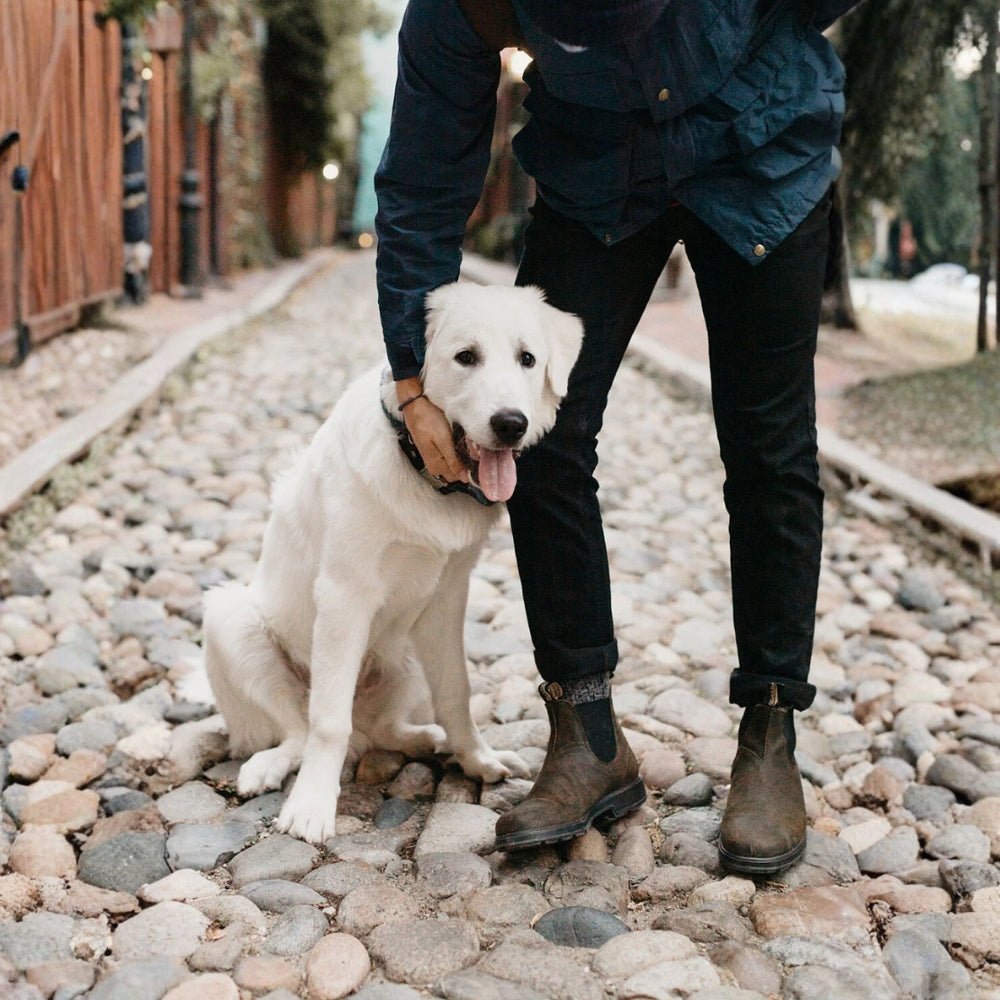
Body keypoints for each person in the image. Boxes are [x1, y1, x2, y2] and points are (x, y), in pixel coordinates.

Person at [375, 0, 862, 875]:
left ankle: (772, 727)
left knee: (770, 446)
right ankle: (587, 732)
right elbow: (419, 183)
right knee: (538, 438)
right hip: (598, 174)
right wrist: (412, 383)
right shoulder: (458, 10)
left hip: (763, 151)